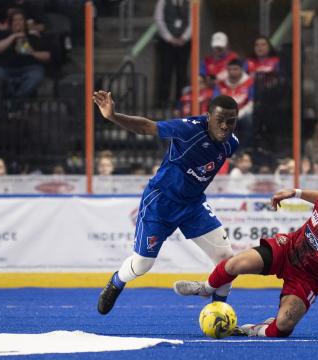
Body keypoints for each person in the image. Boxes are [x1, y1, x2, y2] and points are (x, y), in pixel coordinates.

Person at [173, 189, 318, 340]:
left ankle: (252, 330)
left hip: (308, 280)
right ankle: (206, 289)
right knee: (235, 264)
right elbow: (317, 196)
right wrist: (294, 192)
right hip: (287, 249)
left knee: (283, 326)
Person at [92, 91, 240, 314]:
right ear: (208, 117)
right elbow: (146, 127)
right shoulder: (188, 129)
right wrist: (112, 116)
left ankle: (218, 311)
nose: (225, 127)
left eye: (231, 122)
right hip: (161, 202)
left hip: (193, 206)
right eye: (220, 121)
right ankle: (116, 281)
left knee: (227, 260)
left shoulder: (232, 144)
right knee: (143, 264)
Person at [0, 10, 50, 101]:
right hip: (7, 68)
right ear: (11, 23)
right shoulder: (4, 35)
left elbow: (47, 56)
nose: (18, 22)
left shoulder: (33, 37)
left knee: (37, 74)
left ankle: (16, 99)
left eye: (21, 20)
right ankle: (17, 99)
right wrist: (13, 36)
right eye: (15, 20)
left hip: (29, 68)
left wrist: (32, 52)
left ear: (25, 22)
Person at [153, 0, 191, 109]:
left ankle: (181, 101)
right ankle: (162, 101)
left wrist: (184, 37)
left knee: (182, 73)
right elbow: (159, 20)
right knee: (165, 71)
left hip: (184, 43)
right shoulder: (163, 2)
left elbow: (193, 21)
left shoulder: (189, 3)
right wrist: (169, 38)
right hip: (167, 43)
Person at [213, 58, 254, 142]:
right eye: (230, 69)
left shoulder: (250, 82)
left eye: (235, 69)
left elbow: (252, 102)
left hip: (244, 113)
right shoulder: (220, 84)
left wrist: (240, 113)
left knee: (248, 119)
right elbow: (215, 101)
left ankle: (245, 150)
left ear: (242, 69)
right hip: (224, 114)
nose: (232, 72)